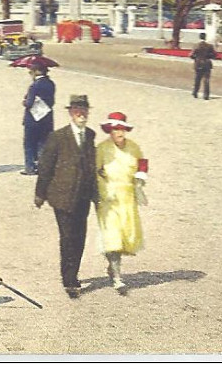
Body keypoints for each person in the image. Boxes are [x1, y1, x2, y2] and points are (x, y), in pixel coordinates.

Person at [34, 94, 97, 299]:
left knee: (80, 238)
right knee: (68, 237)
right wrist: (40, 193)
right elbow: (45, 167)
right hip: (62, 197)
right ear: (70, 113)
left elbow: (91, 167)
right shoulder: (58, 137)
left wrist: (97, 196)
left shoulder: (90, 135)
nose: (81, 113)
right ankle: (69, 279)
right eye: (77, 110)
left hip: (83, 197)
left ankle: (73, 272)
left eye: (84, 110)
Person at [94, 112, 147, 295]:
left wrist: (139, 183)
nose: (119, 133)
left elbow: (142, 164)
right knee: (112, 237)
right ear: (110, 131)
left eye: (122, 129)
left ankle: (112, 266)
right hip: (108, 197)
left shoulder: (134, 147)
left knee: (126, 236)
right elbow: (94, 170)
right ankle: (117, 278)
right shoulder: (102, 148)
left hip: (127, 197)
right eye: (115, 129)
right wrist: (101, 191)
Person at [21, 64, 55, 175]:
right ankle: (43, 167)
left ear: (37, 72)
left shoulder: (34, 86)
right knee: (43, 143)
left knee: (29, 143)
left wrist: (25, 102)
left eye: (31, 71)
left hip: (33, 119)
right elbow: (52, 102)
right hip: (47, 118)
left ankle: (30, 167)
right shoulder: (51, 84)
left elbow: (29, 103)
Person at [190, 32, 217, 100]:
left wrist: (196, 58)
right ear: (205, 37)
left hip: (198, 63)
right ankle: (206, 95)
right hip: (207, 64)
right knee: (206, 80)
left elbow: (191, 55)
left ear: (199, 37)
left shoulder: (196, 45)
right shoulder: (209, 46)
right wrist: (208, 56)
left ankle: (195, 92)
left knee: (197, 79)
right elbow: (214, 55)